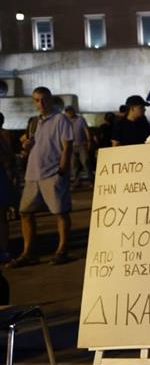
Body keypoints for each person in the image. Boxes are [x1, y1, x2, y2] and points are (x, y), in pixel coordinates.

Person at [8, 87, 74, 267]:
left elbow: (67, 146)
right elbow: (30, 146)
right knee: (25, 212)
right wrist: (26, 146)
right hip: (33, 174)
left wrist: (62, 170)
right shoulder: (34, 122)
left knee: (60, 212)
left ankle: (62, 250)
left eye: (44, 99)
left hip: (52, 172)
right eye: (37, 100)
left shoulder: (61, 119)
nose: (41, 103)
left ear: (51, 100)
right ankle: (29, 252)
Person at [0, 113, 15, 263]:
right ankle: (4, 250)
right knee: (2, 217)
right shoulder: (6, 134)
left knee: (2, 216)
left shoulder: (4, 135)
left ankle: (4, 250)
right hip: (3, 176)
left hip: (2, 176)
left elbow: (7, 156)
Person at [64, 105, 91, 187]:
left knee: (85, 162)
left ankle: (91, 180)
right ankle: (76, 181)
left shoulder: (80, 119)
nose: (69, 113)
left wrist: (89, 141)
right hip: (71, 146)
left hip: (81, 144)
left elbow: (86, 130)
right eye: (67, 112)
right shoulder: (65, 121)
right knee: (73, 165)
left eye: (70, 111)